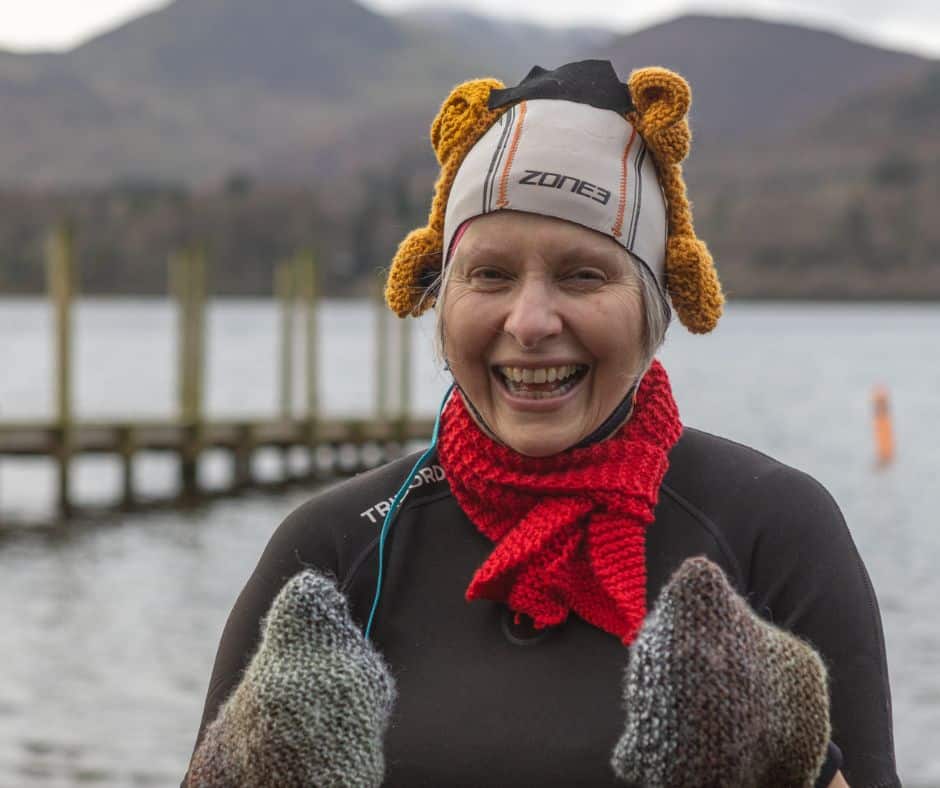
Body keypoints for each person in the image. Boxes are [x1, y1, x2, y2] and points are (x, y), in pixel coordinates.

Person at [183, 61, 899, 787]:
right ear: (439, 297)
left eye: (583, 275)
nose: (529, 323)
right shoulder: (334, 552)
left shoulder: (771, 528)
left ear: (655, 309)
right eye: (489, 275)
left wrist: (793, 762)